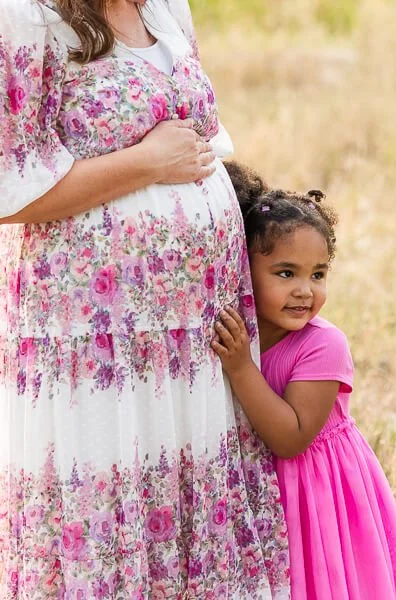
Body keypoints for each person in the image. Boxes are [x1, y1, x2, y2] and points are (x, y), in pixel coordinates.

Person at [0, 1, 290, 598]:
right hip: (95, 338)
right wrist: (145, 164)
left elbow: (202, 145)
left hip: (195, 335)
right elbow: (11, 192)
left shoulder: (163, 5)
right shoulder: (23, 17)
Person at [212, 161, 396, 600]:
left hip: (317, 494)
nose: (305, 290)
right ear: (244, 270)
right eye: (286, 273)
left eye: (318, 274)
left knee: (319, 581)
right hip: (266, 491)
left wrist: (241, 368)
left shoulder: (323, 345)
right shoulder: (244, 333)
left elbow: (291, 437)